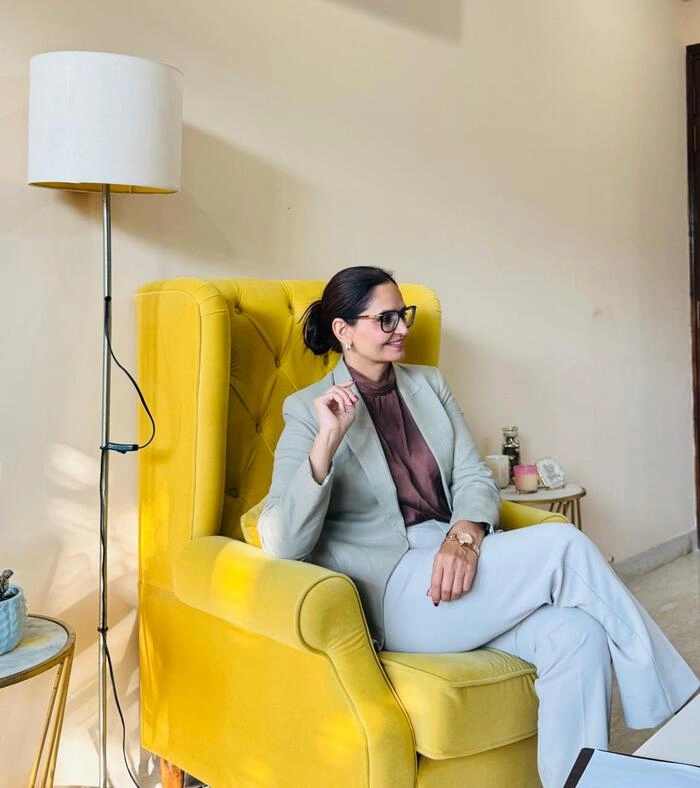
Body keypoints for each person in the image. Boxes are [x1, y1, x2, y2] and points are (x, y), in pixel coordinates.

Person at [258, 266, 699, 788]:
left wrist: (464, 536)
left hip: (457, 561)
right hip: (395, 589)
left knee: (575, 634)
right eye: (386, 319)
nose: (403, 328)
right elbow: (282, 541)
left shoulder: (428, 385)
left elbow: (472, 474)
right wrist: (326, 442)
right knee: (561, 542)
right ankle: (685, 712)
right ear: (343, 330)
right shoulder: (308, 411)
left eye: (404, 315)